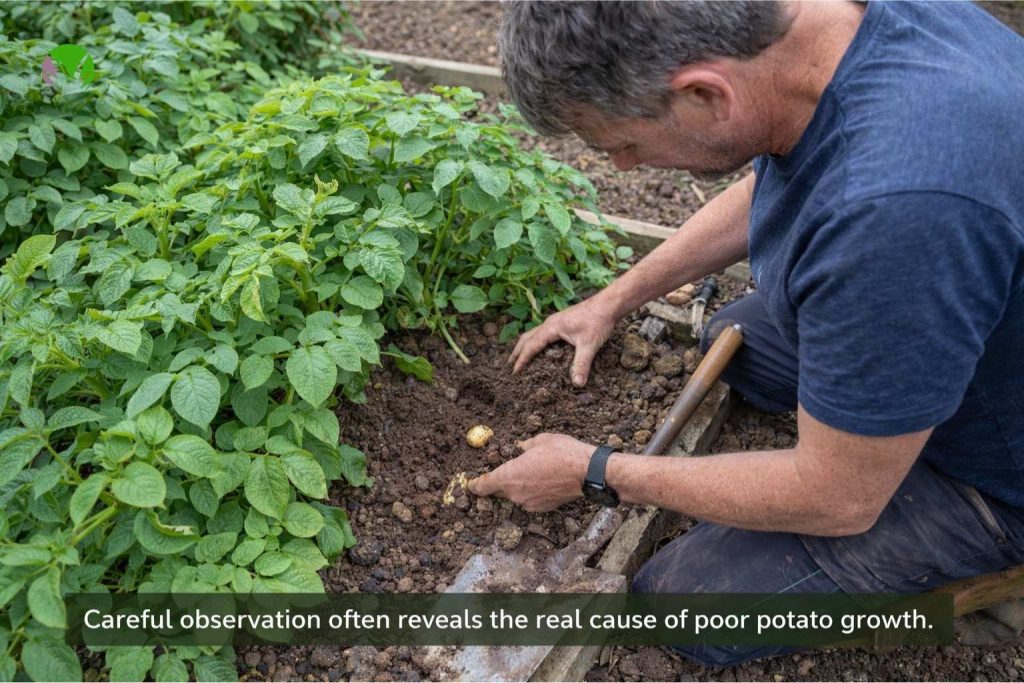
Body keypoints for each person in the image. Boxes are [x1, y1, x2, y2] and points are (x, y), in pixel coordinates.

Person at [467, 0, 1024, 666]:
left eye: (622, 143)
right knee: (737, 337)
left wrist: (598, 470)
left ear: (704, 93)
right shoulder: (825, 40)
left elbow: (838, 497)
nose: (619, 166)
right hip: (964, 320)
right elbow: (784, 170)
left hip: (998, 460)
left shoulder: (897, 209)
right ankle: (876, 424)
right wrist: (615, 297)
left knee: (683, 602)